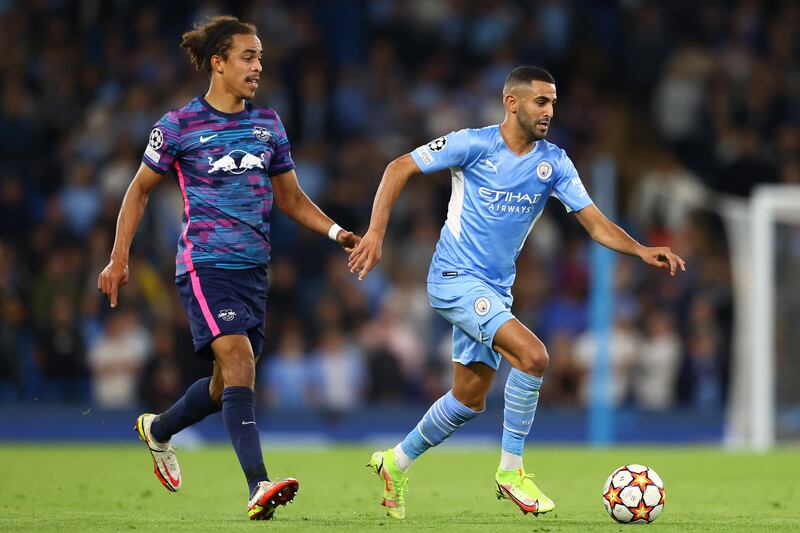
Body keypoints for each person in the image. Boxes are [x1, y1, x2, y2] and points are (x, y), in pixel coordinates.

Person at [348, 66, 685, 519]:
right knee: (534, 356)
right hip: (453, 278)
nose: (549, 111)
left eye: (553, 103)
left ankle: (396, 461)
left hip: (495, 290)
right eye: (540, 101)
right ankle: (511, 471)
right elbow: (398, 168)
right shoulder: (473, 143)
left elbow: (595, 223)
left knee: (468, 399)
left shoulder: (555, 162)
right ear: (512, 102)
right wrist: (376, 233)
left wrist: (641, 250)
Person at [97, 15, 359, 521]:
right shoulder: (177, 126)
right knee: (241, 364)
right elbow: (138, 190)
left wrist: (336, 233)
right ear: (217, 63)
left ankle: (159, 429)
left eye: (260, 57)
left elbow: (291, 198)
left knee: (225, 386)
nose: (258, 66)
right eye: (248, 56)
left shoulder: (269, 125)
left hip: (253, 270)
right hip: (204, 264)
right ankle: (258, 485)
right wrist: (118, 256)